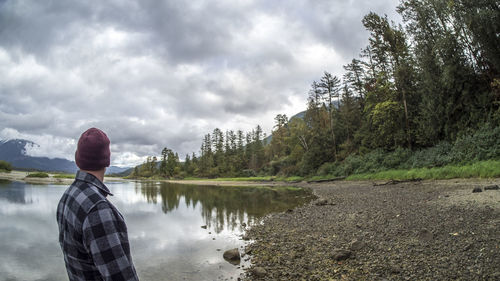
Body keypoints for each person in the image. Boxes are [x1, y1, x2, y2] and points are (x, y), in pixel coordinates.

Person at [57, 128, 139, 281]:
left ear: (77, 159)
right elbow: (120, 276)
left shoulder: (67, 196)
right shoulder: (98, 209)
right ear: (107, 161)